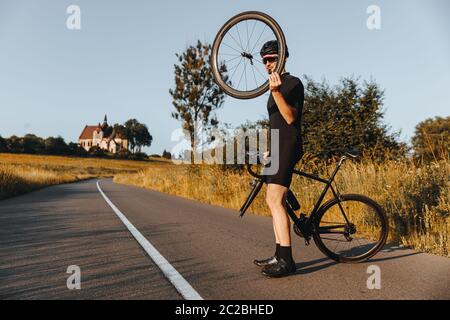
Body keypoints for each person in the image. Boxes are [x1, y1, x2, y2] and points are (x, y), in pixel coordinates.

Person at [254, 40, 304, 278]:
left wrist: (276, 92)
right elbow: (274, 123)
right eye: (264, 60)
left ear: (283, 57)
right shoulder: (272, 87)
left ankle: (287, 261)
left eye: (271, 59)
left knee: (276, 199)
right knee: (272, 200)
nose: (267, 64)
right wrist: (269, 148)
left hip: (289, 145)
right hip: (277, 147)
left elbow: (290, 117)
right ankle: (278, 253)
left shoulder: (293, 83)